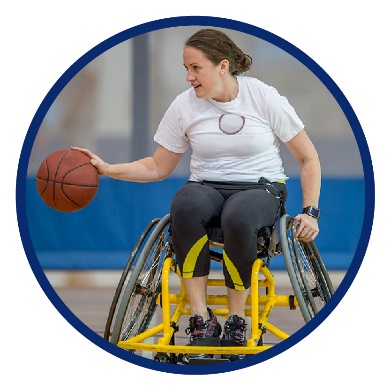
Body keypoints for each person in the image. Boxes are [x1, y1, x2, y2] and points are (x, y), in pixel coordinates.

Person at [72, 28, 321, 362]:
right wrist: (108, 168)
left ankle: (236, 320)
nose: (189, 77)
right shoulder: (184, 106)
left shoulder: (262, 97)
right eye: (185, 69)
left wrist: (311, 212)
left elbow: (308, 158)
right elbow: (158, 166)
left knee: (239, 216)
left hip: (260, 186)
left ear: (222, 66)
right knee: (184, 206)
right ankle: (202, 320)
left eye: (195, 68)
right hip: (206, 185)